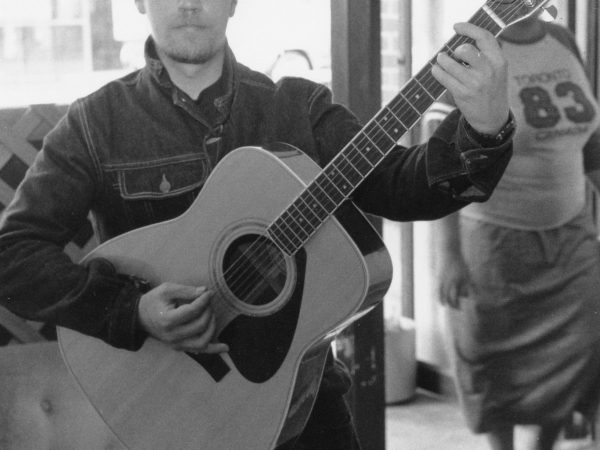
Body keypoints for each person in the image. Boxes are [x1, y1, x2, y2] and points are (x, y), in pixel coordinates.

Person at [0, 1, 514, 449]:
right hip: (165, 408)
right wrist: (131, 308)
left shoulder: (298, 108)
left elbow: (404, 188)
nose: (189, 3)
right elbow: (13, 255)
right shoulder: (95, 124)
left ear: (234, 1)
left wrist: (484, 127)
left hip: (303, 407)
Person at [435, 15, 600, 450]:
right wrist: (448, 253)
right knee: (495, 370)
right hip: (495, 245)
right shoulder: (469, 48)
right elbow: (442, 161)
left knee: (576, 356)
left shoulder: (563, 40)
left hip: (573, 238)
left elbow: (591, 142)